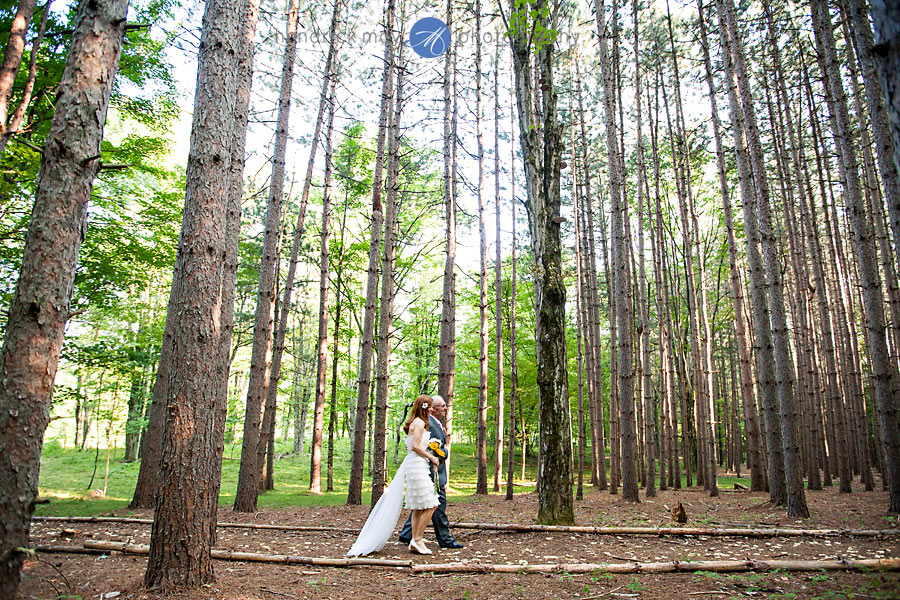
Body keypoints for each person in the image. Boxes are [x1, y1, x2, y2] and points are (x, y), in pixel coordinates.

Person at [347, 394, 440, 556]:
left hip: (416, 465)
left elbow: (411, 445)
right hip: (417, 466)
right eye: (431, 406)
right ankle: (418, 539)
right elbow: (416, 447)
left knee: (419, 505)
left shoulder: (415, 422)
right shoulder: (419, 423)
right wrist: (431, 456)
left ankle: (415, 540)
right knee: (432, 503)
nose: (432, 409)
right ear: (424, 407)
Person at [398, 394, 464, 549]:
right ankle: (443, 539)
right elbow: (422, 447)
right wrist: (442, 454)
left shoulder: (429, 422)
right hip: (429, 470)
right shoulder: (427, 424)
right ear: (431, 408)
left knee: (421, 504)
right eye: (442, 406)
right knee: (436, 504)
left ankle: (409, 535)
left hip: (424, 467)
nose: (445, 408)